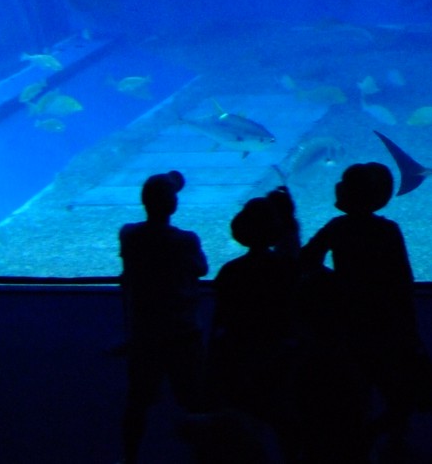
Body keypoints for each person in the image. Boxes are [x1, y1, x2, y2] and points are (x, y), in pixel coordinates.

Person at [299, 162, 429, 462]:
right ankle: (381, 444)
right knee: (395, 396)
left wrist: (335, 284)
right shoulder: (387, 230)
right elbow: (402, 283)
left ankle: (357, 443)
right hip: (385, 325)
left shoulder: (337, 227)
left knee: (352, 397)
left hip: (346, 326)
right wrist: (411, 332)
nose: (338, 185)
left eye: (344, 181)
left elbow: (305, 261)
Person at [118, 170, 209, 464]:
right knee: (194, 399)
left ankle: (129, 458)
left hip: (145, 333)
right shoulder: (185, 240)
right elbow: (201, 269)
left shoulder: (129, 235)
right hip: (182, 332)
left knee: (138, 402)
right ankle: (206, 456)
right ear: (174, 204)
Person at [209, 195, 299, 449]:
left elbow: (220, 322)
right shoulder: (287, 269)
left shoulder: (230, 272)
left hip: (238, 356)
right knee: (284, 424)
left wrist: (213, 367)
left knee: (242, 427)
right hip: (279, 355)